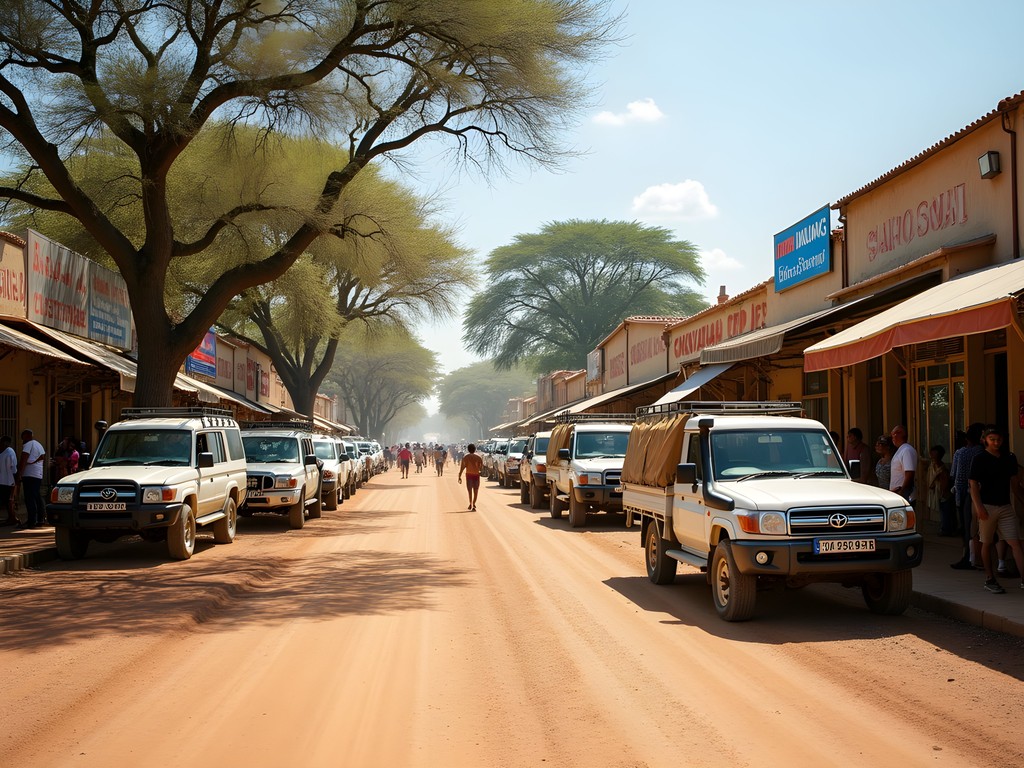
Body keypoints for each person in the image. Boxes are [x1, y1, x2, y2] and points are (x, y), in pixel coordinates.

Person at [968, 426, 1024, 594]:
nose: (996, 442)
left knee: (1015, 542)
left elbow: (1015, 484)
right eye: (992, 439)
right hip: (987, 506)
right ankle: (990, 578)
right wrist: (979, 508)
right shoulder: (979, 458)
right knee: (987, 542)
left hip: (1005, 506)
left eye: (998, 439)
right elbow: (973, 485)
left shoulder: (1009, 458)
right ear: (985, 439)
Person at [950, 423, 985, 570]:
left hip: (966, 494)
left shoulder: (961, 453)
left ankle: (969, 557)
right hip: (984, 493)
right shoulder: (983, 452)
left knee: (968, 529)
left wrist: (958, 496)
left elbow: (955, 476)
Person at [18, 429, 46, 529]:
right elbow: (43, 456)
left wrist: (19, 473)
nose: (22, 441)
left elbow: (24, 458)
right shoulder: (38, 444)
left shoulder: (28, 444)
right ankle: (41, 519)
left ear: (26, 436)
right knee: (37, 496)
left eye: (22, 438)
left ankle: (31, 521)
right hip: (38, 474)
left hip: (29, 474)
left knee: (29, 498)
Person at [927, 445, 955, 536]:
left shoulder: (942, 469)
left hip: (944, 493)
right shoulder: (932, 466)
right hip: (938, 492)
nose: (932, 457)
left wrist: (943, 492)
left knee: (946, 511)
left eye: (934, 455)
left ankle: (946, 529)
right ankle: (946, 528)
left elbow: (945, 482)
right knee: (944, 511)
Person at [889, 425, 917, 501]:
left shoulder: (906, 450)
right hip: (897, 495)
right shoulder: (901, 450)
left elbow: (909, 473)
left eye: (893, 435)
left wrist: (902, 492)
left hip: (904, 497)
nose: (892, 438)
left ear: (899, 434)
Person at [458, 443, 484, 511]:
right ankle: (474, 504)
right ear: (475, 449)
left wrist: (459, 475)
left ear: (468, 449)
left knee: (469, 491)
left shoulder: (466, 457)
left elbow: (462, 467)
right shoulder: (479, 457)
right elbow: (481, 468)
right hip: (476, 475)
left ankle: (471, 503)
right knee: (476, 490)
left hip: (469, 475)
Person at [0, 435, 18, 526]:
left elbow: (13, 467)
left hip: (9, 481)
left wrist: (14, 481)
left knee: (9, 500)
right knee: (6, 501)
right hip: (3, 481)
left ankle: (13, 518)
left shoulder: (9, 452)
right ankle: (11, 517)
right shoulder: (3, 452)